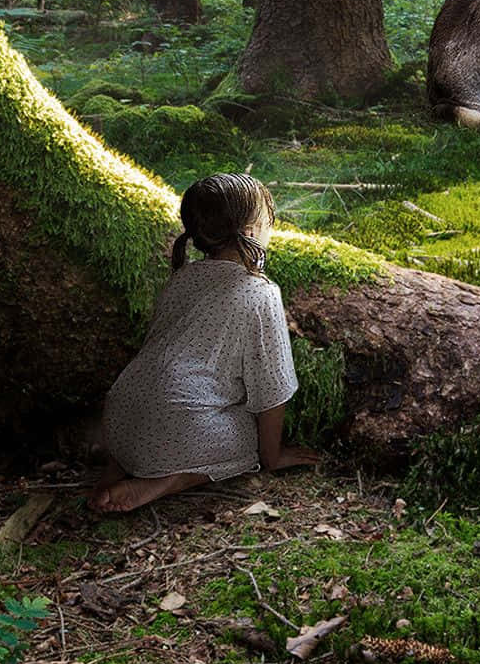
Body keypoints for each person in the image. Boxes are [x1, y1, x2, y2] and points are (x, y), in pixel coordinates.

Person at [89, 173, 321, 514]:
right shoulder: (260, 292)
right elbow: (272, 389)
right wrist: (272, 456)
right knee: (247, 437)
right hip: (180, 429)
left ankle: (122, 464)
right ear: (252, 229)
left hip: (119, 415)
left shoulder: (181, 278)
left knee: (171, 412)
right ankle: (164, 481)